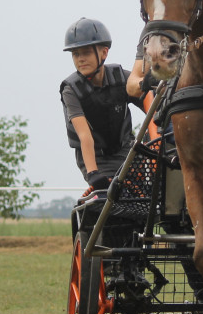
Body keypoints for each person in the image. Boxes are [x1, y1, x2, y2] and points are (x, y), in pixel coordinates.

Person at [59, 18, 142, 190]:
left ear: (104, 53)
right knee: (108, 199)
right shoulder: (71, 90)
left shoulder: (121, 79)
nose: (80, 59)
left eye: (86, 52)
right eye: (75, 54)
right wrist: (93, 173)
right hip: (96, 159)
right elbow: (84, 136)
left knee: (150, 193)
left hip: (127, 151)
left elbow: (152, 104)